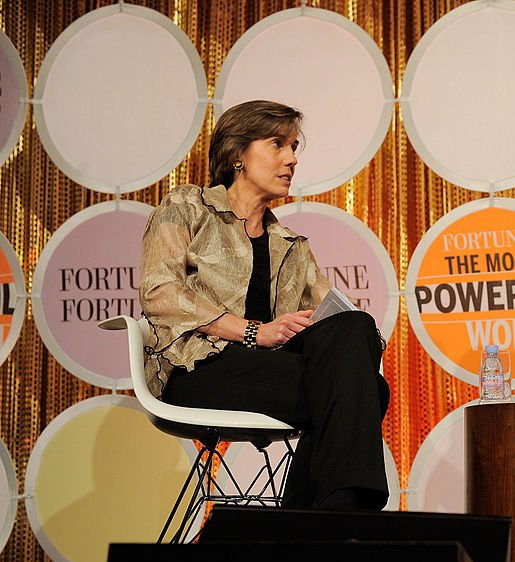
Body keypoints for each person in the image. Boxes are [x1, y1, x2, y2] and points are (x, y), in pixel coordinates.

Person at [140, 99, 390, 512]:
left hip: (269, 371)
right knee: (366, 392)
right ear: (238, 153)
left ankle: (319, 519)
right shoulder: (186, 207)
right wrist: (255, 331)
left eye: (294, 147)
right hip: (198, 370)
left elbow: (336, 326)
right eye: (278, 144)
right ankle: (330, 518)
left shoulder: (290, 245)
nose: (292, 159)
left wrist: (320, 330)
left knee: (354, 328)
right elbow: (159, 292)